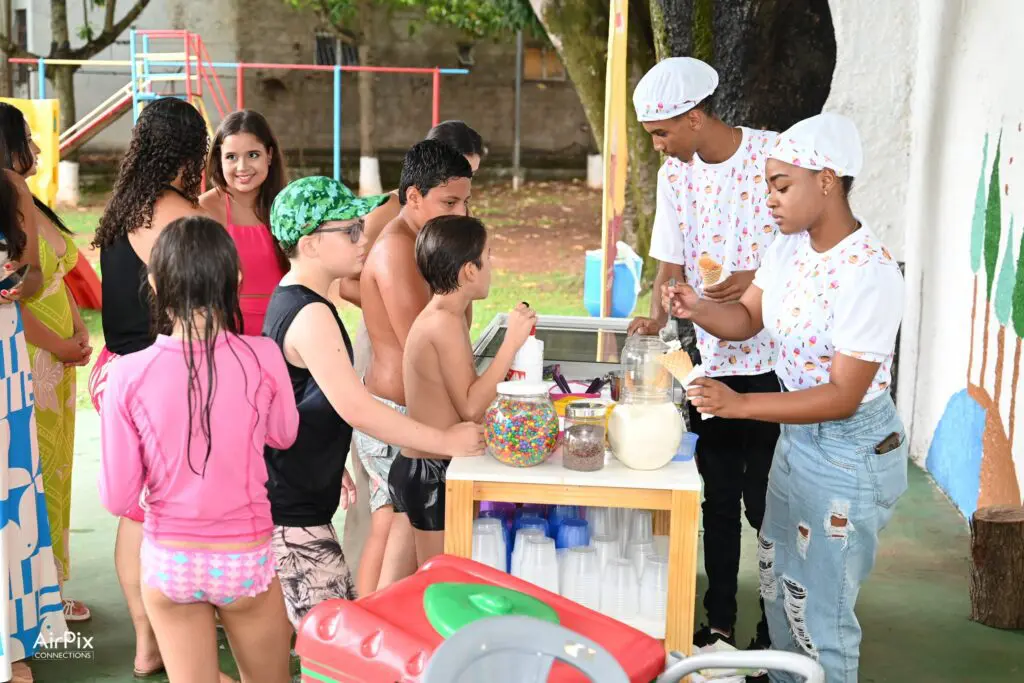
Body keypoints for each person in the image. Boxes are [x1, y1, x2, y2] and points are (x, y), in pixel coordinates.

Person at [670, 113, 907, 683]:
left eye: (781, 186)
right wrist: (699, 308)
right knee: (782, 593)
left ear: (827, 180)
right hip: (797, 440)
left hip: (850, 451)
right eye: (767, 186)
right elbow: (748, 317)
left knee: (821, 618)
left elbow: (843, 395)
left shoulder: (868, 274)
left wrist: (741, 405)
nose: (770, 200)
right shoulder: (787, 249)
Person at [264, 176, 484, 627]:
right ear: (309, 244)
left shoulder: (297, 301)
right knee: (329, 647)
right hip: (292, 516)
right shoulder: (309, 315)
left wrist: (328, 459)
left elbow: (292, 400)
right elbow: (358, 408)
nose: (363, 238)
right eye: (349, 230)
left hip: (299, 499)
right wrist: (444, 440)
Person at [98, 217, 297, 683]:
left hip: (170, 559)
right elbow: (283, 435)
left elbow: (117, 498)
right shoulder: (264, 355)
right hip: (244, 556)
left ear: (153, 281)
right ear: (238, 280)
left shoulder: (126, 374)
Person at [629, 57, 781, 652]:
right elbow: (671, 253)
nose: (661, 147)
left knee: (768, 501)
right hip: (711, 361)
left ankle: (774, 627)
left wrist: (754, 275)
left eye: (663, 133)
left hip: (777, 364)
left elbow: (804, 241)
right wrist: (658, 309)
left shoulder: (774, 157)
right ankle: (719, 622)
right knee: (715, 496)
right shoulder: (676, 176)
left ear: (694, 117)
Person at [90, 96, 209, 678]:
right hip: (159, 375)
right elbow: (202, 295)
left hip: (115, 368)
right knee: (163, 512)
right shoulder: (175, 211)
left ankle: (147, 639)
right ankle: (173, 628)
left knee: (136, 514)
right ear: (190, 151)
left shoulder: (126, 202)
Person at [337, 120, 484, 585]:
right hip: (397, 418)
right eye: (449, 202)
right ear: (413, 196)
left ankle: (373, 631)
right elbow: (421, 342)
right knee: (394, 541)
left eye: (465, 203)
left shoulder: (422, 243)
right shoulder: (398, 249)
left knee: (398, 538)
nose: (460, 213)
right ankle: (368, 636)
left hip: (412, 414)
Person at [391, 215, 535, 565]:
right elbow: (470, 405)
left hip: (422, 464)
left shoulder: (446, 314)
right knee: (437, 584)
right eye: (489, 255)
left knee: (411, 585)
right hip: (429, 470)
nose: (493, 265)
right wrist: (510, 344)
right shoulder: (443, 322)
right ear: (470, 270)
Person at [0, 103, 93, 622]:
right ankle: (42, 591)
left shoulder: (28, 197)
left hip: (58, 351)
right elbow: (16, 290)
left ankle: (51, 581)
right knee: (35, 467)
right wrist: (58, 344)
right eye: (27, 141)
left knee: (56, 465)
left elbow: (51, 277)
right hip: (31, 352)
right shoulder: (8, 192)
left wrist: (77, 330)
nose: (36, 150)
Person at [0, 142, 67, 683]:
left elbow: (34, 279)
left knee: (10, 492)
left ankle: (13, 641)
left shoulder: (8, 187)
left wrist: (12, 285)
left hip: (6, 362)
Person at [200, 110, 289, 335]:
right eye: (231, 157)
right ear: (219, 160)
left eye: (253, 155)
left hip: (287, 332)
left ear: (269, 155)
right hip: (226, 336)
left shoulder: (290, 205)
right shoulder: (203, 210)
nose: (242, 167)